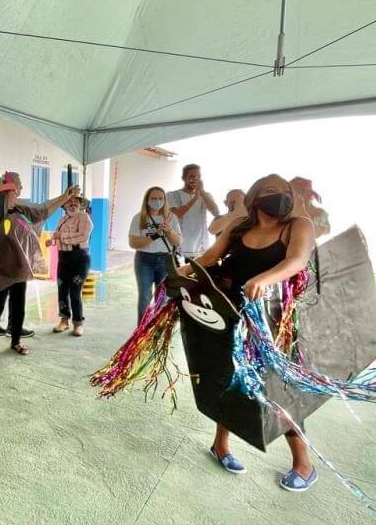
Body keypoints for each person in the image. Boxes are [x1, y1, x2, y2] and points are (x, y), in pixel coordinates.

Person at [178, 174, 317, 491]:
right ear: (255, 197)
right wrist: (181, 275)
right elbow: (211, 257)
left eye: (283, 192)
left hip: (272, 322)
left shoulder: (297, 226)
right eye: (269, 191)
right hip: (230, 315)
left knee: (281, 390)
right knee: (229, 379)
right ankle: (221, 445)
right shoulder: (240, 227)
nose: (278, 196)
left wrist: (266, 279)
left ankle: (303, 464)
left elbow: (297, 260)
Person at [0, 172, 79, 361]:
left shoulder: (22, 210)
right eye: (18, 186)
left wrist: (64, 197)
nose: (20, 189)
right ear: (8, 191)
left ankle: (16, 341)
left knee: (19, 307)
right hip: (1, 271)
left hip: (20, 268)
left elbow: (44, 210)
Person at [129, 186, 182, 322]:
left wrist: (169, 231)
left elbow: (177, 242)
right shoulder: (139, 218)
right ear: (147, 200)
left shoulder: (171, 218)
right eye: (153, 198)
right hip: (144, 260)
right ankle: (142, 331)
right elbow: (133, 243)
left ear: (165, 200)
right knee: (145, 296)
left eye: (160, 198)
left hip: (165, 260)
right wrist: (155, 235)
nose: (157, 201)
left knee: (162, 297)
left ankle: (156, 331)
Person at [47, 195, 94, 336]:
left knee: (75, 291)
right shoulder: (62, 220)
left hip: (79, 258)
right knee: (62, 289)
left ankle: (78, 323)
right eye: (69, 202)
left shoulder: (84, 218)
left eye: (76, 202)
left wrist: (62, 237)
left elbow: (83, 236)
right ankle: (64, 320)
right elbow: (56, 236)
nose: (72, 204)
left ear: (80, 204)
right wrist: (52, 240)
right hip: (63, 258)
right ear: (65, 206)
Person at [167, 164, 219, 260]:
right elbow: (176, 215)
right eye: (192, 176)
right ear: (184, 178)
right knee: (179, 274)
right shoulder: (172, 195)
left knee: (199, 275)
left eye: (198, 176)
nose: (196, 179)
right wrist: (195, 198)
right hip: (179, 248)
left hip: (201, 247)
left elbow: (216, 213)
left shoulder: (206, 195)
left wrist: (202, 192)